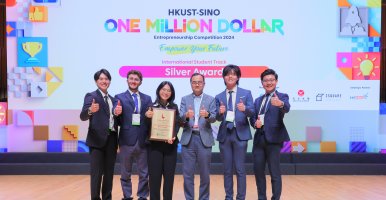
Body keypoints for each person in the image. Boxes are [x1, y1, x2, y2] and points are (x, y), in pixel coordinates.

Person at [249, 68, 290, 200]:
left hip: (274, 140)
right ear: (262, 82)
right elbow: (253, 118)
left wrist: (280, 104)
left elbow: (287, 107)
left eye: (271, 80)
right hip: (259, 140)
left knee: (275, 173)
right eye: (266, 80)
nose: (269, 82)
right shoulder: (257, 100)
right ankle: (262, 197)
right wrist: (255, 123)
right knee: (259, 172)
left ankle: (275, 198)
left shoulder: (282, 96)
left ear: (276, 81)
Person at [215, 64, 254, 200]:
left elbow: (252, 112)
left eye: (233, 74)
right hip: (225, 135)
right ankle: (228, 197)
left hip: (240, 134)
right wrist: (219, 113)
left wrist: (245, 109)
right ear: (224, 77)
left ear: (238, 77)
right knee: (227, 170)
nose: (230, 76)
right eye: (227, 74)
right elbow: (217, 118)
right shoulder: (219, 96)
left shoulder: (246, 93)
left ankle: (240, 197)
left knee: (240, 169)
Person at [113, 70, 152, 200]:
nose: (133, 81)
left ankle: (142, 196)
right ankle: (127, 196)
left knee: (144, 173)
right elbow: (116, 120)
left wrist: (149, 117)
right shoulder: (119, 97)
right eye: (131, 79)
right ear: (127, 80)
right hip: (126, 140)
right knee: (125, 172)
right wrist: (115, 113)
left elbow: (150, 119)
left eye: (136, 79)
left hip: (142, 140)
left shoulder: (147, 98)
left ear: (140, 81)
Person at [80, 69, 118, 200]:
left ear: (109, 81)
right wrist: (90, 110)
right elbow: (83, 116)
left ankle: (107, 198)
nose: (104, 81)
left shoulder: (114, 99)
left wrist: (119, 114)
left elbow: (115, 120)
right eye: (101, 79)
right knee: (96, 174)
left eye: (106, 79)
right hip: (96, 141)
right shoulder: (91, 96)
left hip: (112, 139)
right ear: (96, 81)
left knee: (109, 173)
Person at [179, 73, 217, 200]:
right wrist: (186, 116)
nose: (197, 84)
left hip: (204, 140)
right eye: (194, 82)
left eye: (199, 82)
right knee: (187, 175)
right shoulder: (184, 99)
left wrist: (207, 115)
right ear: (190, 84)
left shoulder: (211, 99)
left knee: (205, 175)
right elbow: (180, 119)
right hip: (188, 139)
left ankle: (204, 198)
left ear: (204, 84)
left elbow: (213, 118)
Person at [144, 81, 182, 200]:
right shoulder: (151, 107)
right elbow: (145, 127)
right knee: (154, 179)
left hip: (170, 147)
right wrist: (146, 117)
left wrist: (174, 135)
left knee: (169, 179)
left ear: (172, 93)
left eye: (168, 90)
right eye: (163, 89)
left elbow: (176, 124)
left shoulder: (174, 107)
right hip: (154, 147)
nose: (165, 92)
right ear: (159, 90)